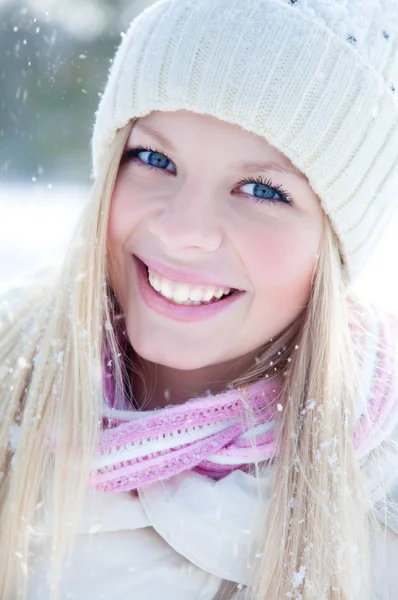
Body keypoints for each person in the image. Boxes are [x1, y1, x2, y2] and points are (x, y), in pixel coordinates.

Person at [1, 0, 398, 598]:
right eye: (155, 159)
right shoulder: (13, 384)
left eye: (263, 189)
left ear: (333, 244)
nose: (184, 228)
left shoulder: (378, 517)